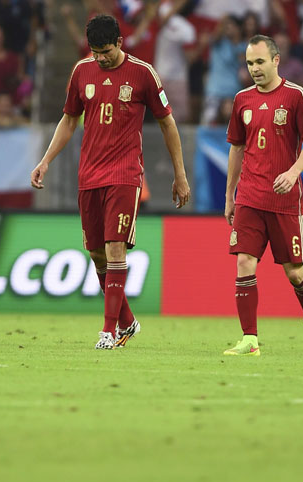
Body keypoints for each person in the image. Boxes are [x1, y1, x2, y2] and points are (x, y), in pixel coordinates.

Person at [30, 14, 190, 350]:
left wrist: (180, 174)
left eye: (105, 51)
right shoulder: (81, 71)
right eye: (95, 51)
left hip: (125, 174)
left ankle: (108, 331)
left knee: (115, 248)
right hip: (89, 175)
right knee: (96, 254)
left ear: (119, 42)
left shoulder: (143, 74)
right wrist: (45, 161)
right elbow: (69, 120)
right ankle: (128, 322)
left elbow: (168, 124)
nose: (100, 57)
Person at [223, 34, 303, 357]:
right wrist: (230, 196)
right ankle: (250, 340)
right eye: (250, 63)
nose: (254, 68)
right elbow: (237, 148)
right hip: (250, 196)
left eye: (260, 62)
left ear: (276, 60)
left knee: (295, 273)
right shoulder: (242, 100)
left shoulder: (296, 96)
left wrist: (294, 172)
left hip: (283, 200)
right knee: (244, 263)